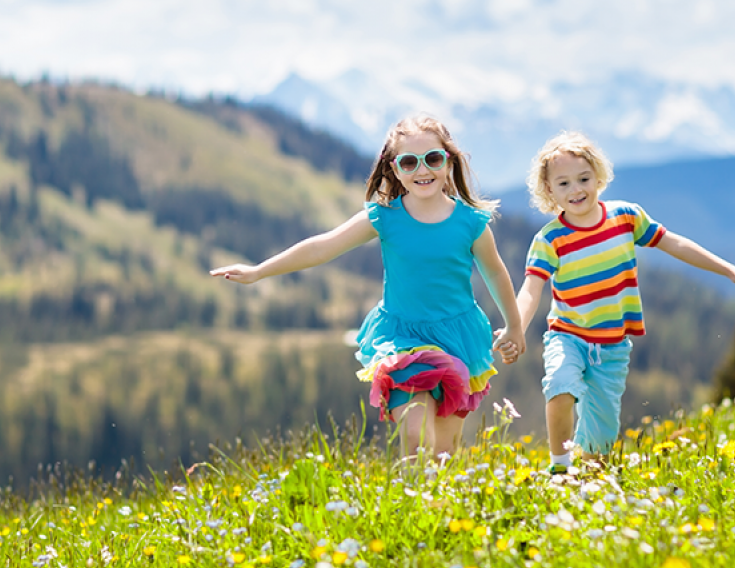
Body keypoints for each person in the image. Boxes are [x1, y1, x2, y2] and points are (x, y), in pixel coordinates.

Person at [211, 116, 526, 461]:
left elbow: (495, 273)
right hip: (403, 337)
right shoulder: (385, 217)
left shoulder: (471, 222)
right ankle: (413, 505)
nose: (422, 169)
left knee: (443, 451)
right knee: (414, 433)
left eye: (432, 158)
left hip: (459, 336)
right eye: (409, 161)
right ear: (394, 169)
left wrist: (514, 325)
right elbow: (322, 247)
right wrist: (258, 271)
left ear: (448, 160)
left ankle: (438, 511)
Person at [495, 130, 735, 473]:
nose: (576, 189)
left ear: (599, 176)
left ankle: (587, 476)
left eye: (583, 178)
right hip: (567, 336)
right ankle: (560, 469)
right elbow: (532, 287)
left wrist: (728, 269)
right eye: (563, 184)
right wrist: (515, 327)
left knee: (599, 443)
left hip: (612, 346)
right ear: (549, 191)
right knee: (560, 389)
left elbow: (674, 243)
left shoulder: (625, 217)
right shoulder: (550, 238)